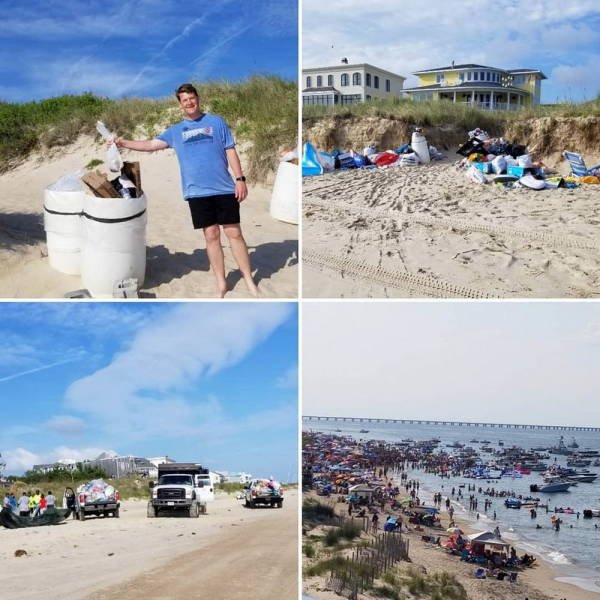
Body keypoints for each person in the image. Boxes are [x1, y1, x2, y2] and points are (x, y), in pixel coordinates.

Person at [112, 83, 259, 298]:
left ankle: (248, 278)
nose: (189, 102)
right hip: (197, 191)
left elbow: (230, 151)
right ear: (180, 104)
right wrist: (122, 142)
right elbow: (150, 145)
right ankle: (221, 282)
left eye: (192, 98)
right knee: (211, 235)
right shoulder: (175, 131)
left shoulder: (216, 122)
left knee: (234, 233)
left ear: (198, 98)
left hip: (224, 187)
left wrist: (240, 179)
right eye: (185, 100)